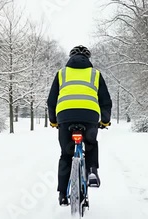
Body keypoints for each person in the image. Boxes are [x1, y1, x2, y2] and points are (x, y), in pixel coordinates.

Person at [47, 45, 113, 206]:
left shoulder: (62, 73)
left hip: (65, 116)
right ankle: (91, 171)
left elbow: (51, 100)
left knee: (65, 154)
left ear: (70, 58)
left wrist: (54, 120)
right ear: (88, 59)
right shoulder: (95, 74)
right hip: (89, 116)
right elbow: (105, 101)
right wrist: (104, 121)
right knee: (90, 144)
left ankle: (63, 194)